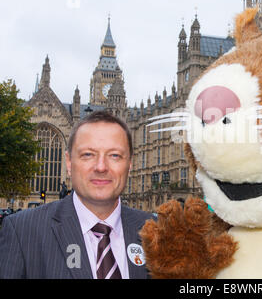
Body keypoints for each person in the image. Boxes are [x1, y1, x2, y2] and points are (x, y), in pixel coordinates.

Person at [0, 111, 156, 279]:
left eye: (115, 155)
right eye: (88, 154)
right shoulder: (22, 231)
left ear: (130, 163)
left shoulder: (161, 231)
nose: (101, 167)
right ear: (69, 162)